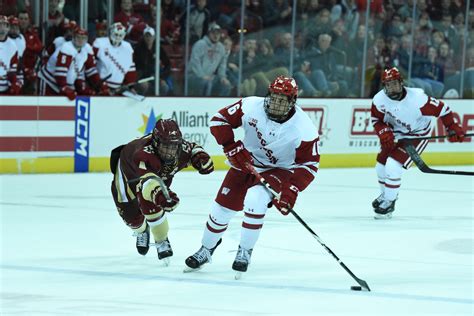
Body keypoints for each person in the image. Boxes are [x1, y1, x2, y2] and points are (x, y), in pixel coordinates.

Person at [185, 76, 320, 276]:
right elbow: (218, 120)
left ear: (292, 102)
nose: (276, 103)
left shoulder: (304, 127)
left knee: (255, 199)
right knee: (221, 209)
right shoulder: (251, 106)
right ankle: (206, 249)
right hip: (245, 163)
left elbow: (309, 165)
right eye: (274, 97)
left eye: (283, 100)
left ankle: (244, 251)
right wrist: (231, 146)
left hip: (279, 170)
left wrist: (291, 190)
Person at [110, 119, 214, 264]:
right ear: (156, 142)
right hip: (129, 174)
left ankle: (161, 239)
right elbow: (149, 184)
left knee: (152, 203)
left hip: (154, 175)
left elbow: (193, 148)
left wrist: (200, 156)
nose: (170, 151)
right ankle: (141, 230)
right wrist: (161, 194)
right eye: (166, 146)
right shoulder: (143, 155)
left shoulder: (180, 147)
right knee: (132, 218)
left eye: (174, 146)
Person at [371, 67, 466, 219]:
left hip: (417, 135)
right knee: (380, 165)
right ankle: (386, 195)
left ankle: (389, 201)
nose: (391, 88)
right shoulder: (379, 100)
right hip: (397, 133)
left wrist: (452, 126)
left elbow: (443, 109)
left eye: (394, 83)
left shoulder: (418, 99)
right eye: (388, 84)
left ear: (401, 83)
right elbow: (376, 120)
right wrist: (383, 131)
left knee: (393, 165)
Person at [38, 27, 108, 99]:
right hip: (49, 82)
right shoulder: (66, 47)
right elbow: (60, 72)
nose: (80, 40)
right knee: (44, 108)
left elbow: (90, 70)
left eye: (83, 38)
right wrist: (64, 88)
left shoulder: (87, 49)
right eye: (78, 37)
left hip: (63, 85)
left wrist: (100, 84)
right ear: (73, 37)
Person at [93, 22, 137, 94]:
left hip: (118, 88)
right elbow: (91, 66)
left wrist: (131, 86)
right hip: (100, 87)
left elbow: (130, 67)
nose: (118, 37)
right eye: (116, 34)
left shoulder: (127, 47)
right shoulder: (99, 43)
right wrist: (100, 85)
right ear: (111, 33)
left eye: (120, 35)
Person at [0, 15, 21, 95]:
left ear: (8, 28)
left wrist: (15, 83)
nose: (2, 28)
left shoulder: (12, 46)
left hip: (4, 88)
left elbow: (12, 70)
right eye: (0, 25)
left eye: (4, 25)